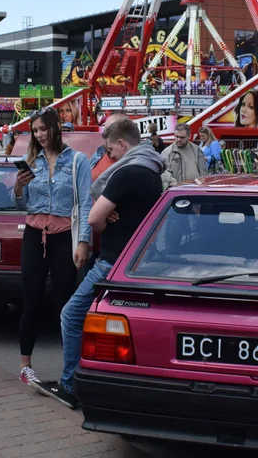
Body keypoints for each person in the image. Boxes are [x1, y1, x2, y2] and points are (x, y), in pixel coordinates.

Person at [32, 119, 165, 408]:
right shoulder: (153, 171)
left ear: (121, 144)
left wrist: (104, 213)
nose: (109, 156)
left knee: (71, 315)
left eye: (110, 150)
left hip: (113, 261)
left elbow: (93, 218)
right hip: (138, 260)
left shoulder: (125, 172)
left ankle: (70, 386)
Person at [12, 108, 92, 388]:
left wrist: (83, 241)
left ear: (56, 128)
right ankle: (25, 366)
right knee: (30, 300)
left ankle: (69, 369)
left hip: (63, 237)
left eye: (43, 129)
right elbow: (20, 205)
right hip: (34, 235)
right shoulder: (29, 161)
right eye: (35, 131)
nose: (40, 135)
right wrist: (18, 189)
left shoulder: (77, 161)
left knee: (64, 303)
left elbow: (84, 204)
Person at [161, 123, 207, 189]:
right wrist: (175, 185)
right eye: (177, 136)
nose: (179, 139)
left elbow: (204, 173)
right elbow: (164, 173)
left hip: (195, 191)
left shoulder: (197, 150)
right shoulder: (166, 153)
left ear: (189, 136)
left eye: (182, 137)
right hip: (176, 192)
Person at [89, 113, 130, 179]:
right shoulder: (100, 153)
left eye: (111, 133)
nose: (105, 136)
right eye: (105, 131)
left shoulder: (130, 165)